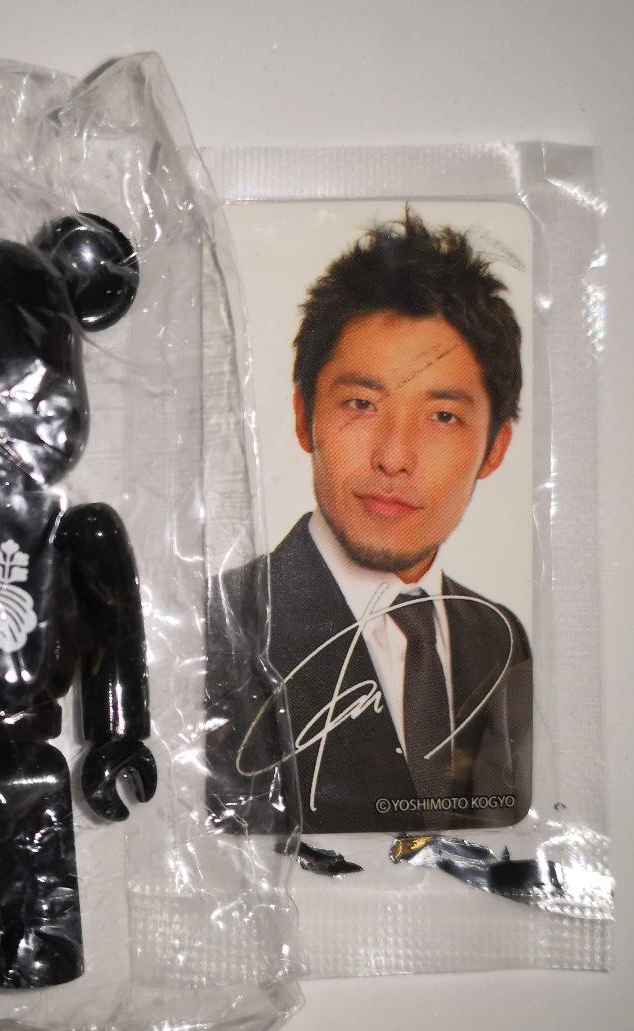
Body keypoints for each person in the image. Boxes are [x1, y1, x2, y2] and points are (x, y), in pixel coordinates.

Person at [207, 209, 532, 835]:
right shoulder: (221, 624)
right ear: (304, 417)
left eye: (443, 416)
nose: (393, 457)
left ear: (494, 448)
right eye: (361, 404)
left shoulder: (500, 638)